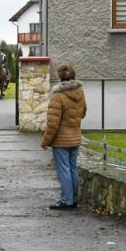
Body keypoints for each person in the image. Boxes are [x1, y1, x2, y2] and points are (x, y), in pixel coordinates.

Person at [41, 62, 86, 209]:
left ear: (60, 78)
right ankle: (73, 198)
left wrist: (45, 141)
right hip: (75, 137)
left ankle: (67, 201)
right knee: (72, 168)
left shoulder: (58, 97)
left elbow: (53, 124)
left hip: (61, 140)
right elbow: (83, 113)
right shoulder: (80, 93)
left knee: (64, 170)